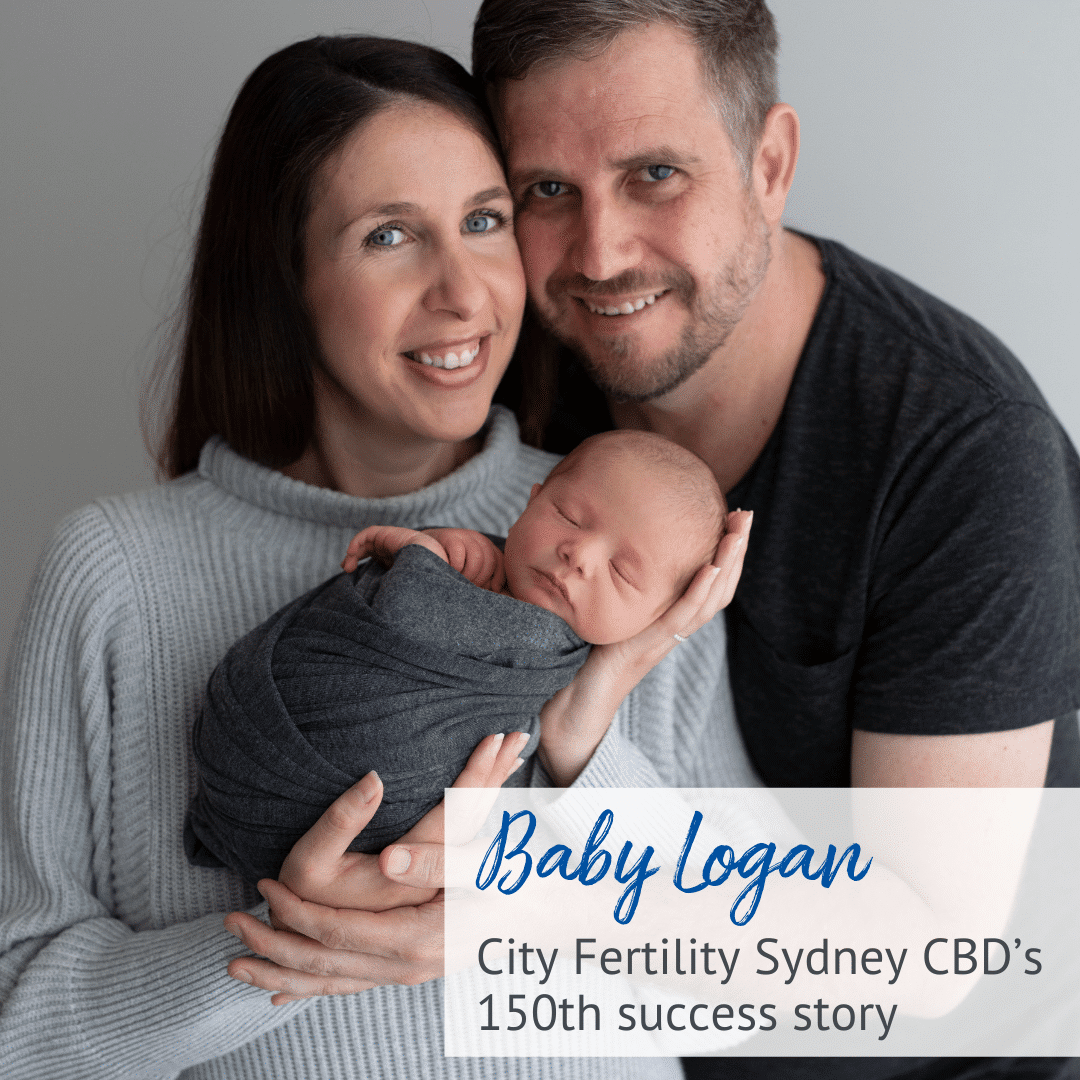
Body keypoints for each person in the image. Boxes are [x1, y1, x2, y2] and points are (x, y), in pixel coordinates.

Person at [0, 33, 754, 1079]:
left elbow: (753, 972)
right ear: (284, 276)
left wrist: (584, 738)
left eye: (485, 221)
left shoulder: (633, 546)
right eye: (391, 235)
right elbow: (17, 1022)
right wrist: (288, 952)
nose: (463, 291)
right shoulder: (116, 573)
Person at [467, 1, 1080, 1078]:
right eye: (548, 191)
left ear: (771, 162)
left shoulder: (960, 447)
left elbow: (927, 953)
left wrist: (486, 933)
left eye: (656, 175)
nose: (601, 254)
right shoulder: (515, 372)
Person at [187, 429, 727, 885]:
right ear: (530, 499)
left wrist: (585, 725)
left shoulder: (635, 667)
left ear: (658, 616)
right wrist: (426, 558)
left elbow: (721, 901)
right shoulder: (468, 555)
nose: (580, 555)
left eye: (622, 572)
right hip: (255, 732)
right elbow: (405, 609)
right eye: (568, 516)